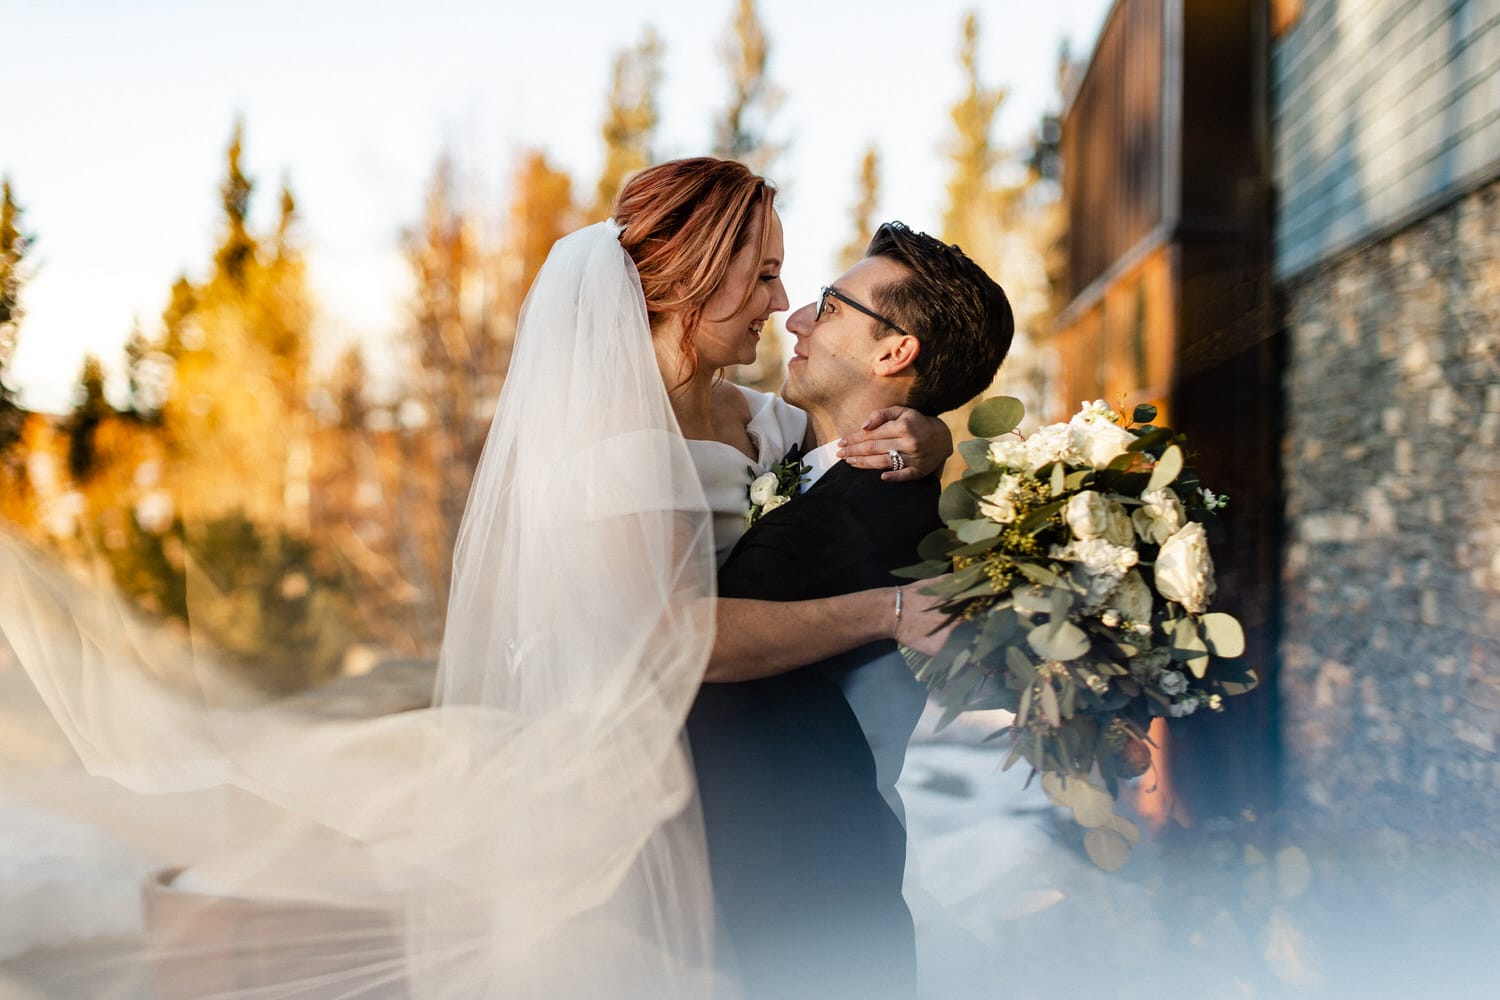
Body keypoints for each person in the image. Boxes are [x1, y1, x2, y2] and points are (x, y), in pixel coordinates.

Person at [0, 157, 958, 999]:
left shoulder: (755, 418)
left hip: (744, 767)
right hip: (637, 780)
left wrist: (930, 428)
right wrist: (886, 610)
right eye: (762, 274)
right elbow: (671, 637)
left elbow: (834, 456)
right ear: (691, 282)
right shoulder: (620, 443)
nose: (778, 301)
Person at [687, 223, 1015, 999]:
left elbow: (686, 643)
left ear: (894, 353)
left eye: (830, 307)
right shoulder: (826, 467)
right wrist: (936, 435)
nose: (796, 317)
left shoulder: (871, 512)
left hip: (800, 907)